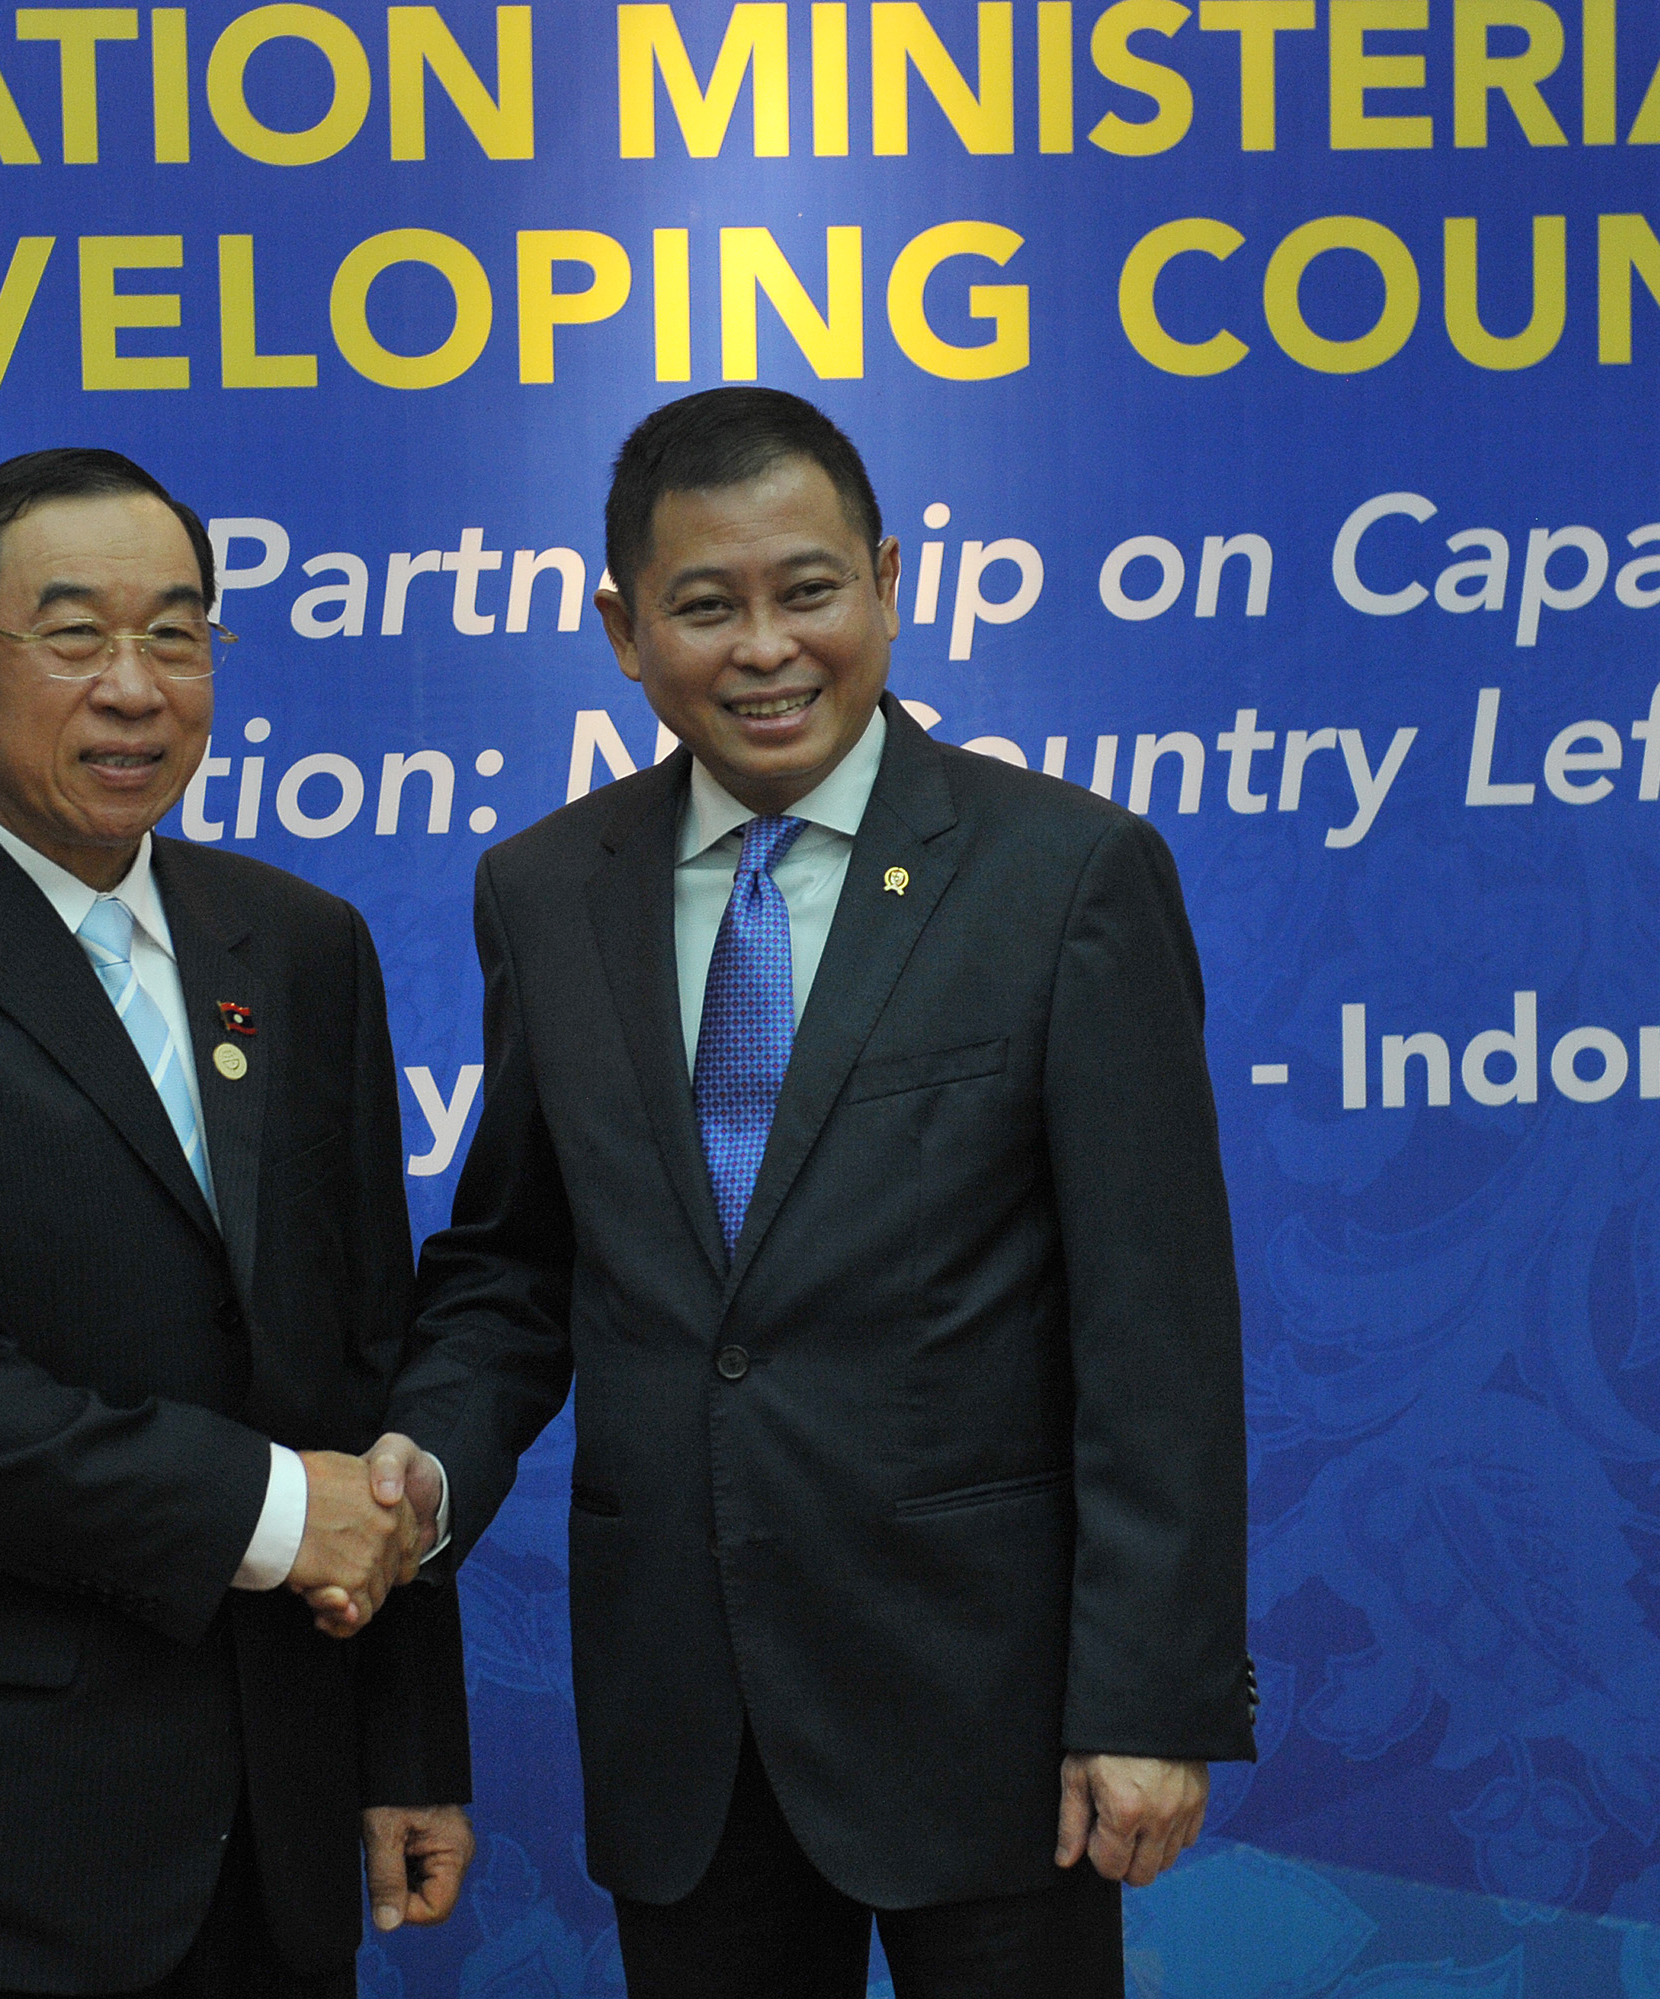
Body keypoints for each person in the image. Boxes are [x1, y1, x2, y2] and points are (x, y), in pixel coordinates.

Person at [371, 389, 1253, 1998]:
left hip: (989, 1720)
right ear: (625, 631)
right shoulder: (547, 891)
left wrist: (1148, 1699)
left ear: (890, 585)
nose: (767, 647)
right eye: (708, 606)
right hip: (683, 1724)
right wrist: (419, 1472)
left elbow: (1158, 1328)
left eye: (810, 590)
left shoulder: (1065, 875)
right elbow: (517, 1266)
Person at [0, 447, 472, 1999]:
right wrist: (273, 1512)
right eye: (75, 637)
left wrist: (406, 1745)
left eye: (177, 635)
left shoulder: (302, 945)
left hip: (272, 1835)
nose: (135, 689)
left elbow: (361, 1359)